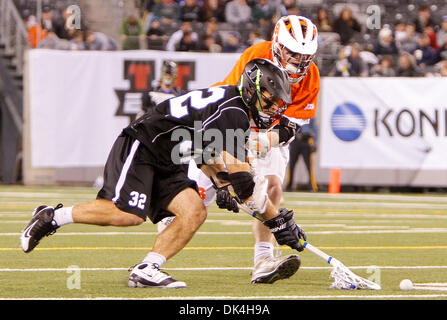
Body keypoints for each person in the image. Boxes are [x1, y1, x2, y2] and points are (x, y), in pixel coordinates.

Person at [20, 59, 306, 289]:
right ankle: (52, 216)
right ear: (251, 89)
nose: (272, 109)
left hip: (172, 156)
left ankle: (147, 268)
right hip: (144, 145)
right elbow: (246, 186)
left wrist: (221, 184)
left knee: (194, 211)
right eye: (269, 100)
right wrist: (279, 224)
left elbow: (205, 152)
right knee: (127, 215)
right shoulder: (235, 112)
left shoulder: (230, 104)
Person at [181, 16, 320, 284]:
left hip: (271, 133)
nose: (299, 61)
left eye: (305, 55)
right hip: (234, 124)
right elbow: (230, 106)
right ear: (278, 44)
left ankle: (263, 260)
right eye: (293, 52)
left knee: (271, 188)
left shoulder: (310, 76)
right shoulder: (256, 55)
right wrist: (228, 175)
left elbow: (291, 126)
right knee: (195, 202)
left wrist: (263, 143)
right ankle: (154, 258)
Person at [286, 118, 318, 192]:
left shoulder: (309, 114)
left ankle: (311, 185)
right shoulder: (294, 113)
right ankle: (289, 185)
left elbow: (315, 128)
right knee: (291, 165)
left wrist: (315, 143)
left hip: (306, 140)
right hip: (295, 140)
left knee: (309, 165)